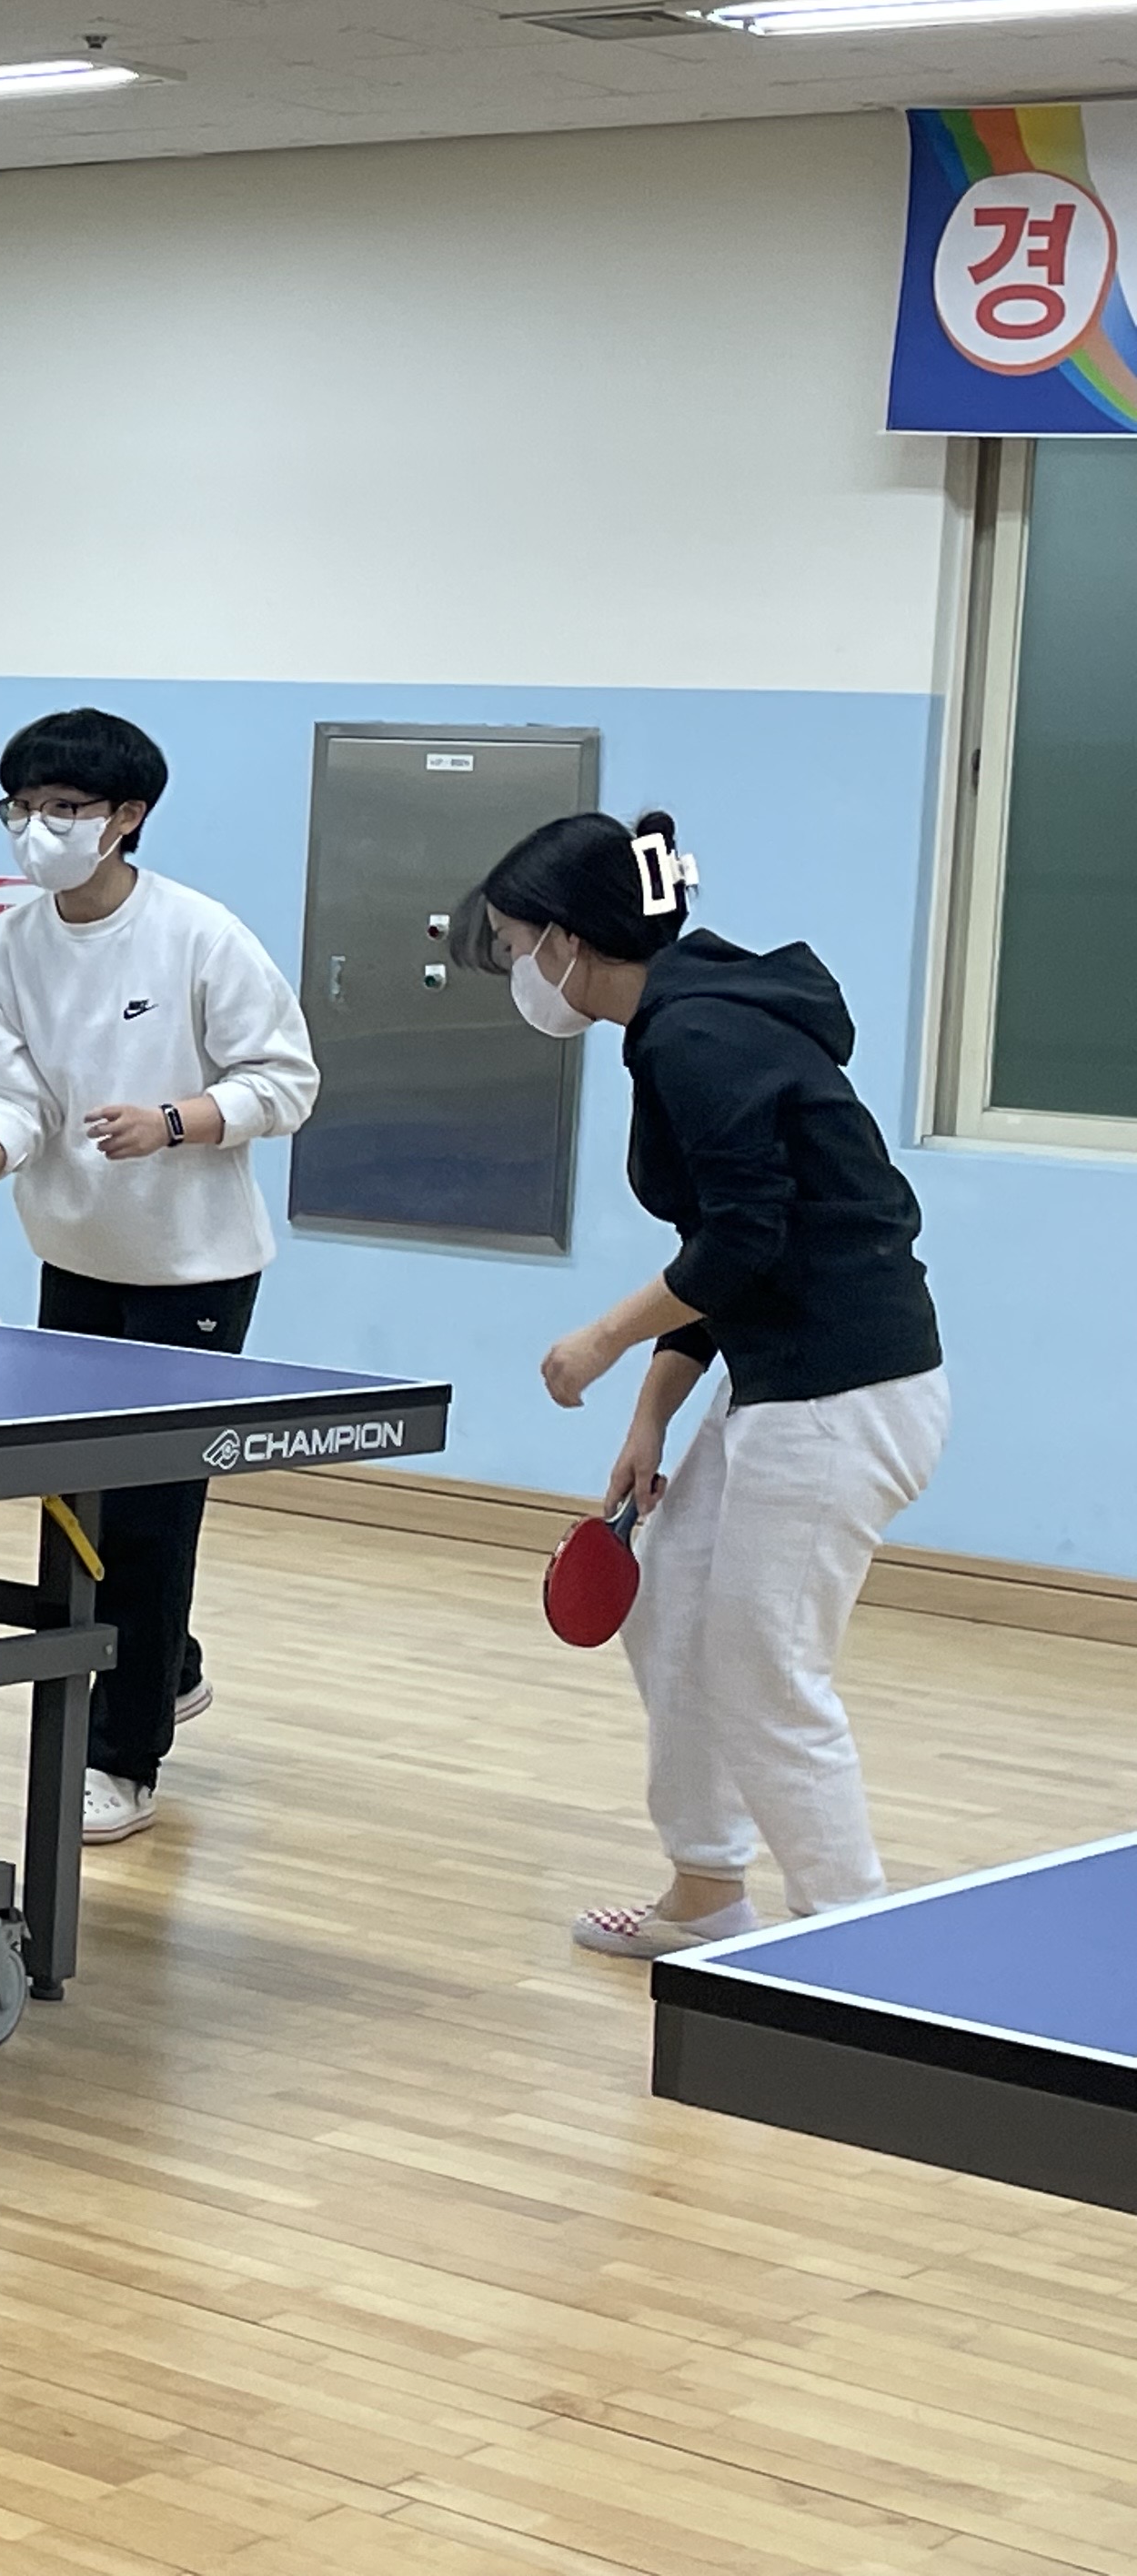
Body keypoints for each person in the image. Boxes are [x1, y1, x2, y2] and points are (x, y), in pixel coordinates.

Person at [469, 810, 946, 1958]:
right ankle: (706, 1890)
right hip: (784, 1379)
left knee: (765, 1672)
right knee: (672, 1605)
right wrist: (652, 1414)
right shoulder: (689, 1016)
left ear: (568, 940)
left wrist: (599, 1341)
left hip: (840, 1393)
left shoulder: (698, 1036)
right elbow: (720, 1247)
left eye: (516, 945)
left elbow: (743, 1239)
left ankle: (850, 1945)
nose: (518, 970)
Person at [0, 708, 319, 1846]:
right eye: (22, 807)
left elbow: (287, 1082)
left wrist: (177, 1120)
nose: (38, 828)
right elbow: (12, 1103)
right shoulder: (2, 947)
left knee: (149, 1514)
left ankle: (123, 1758)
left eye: (65, 809)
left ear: (127, 817)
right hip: (76, 1259)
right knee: (78, 1510)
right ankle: (163, 1663)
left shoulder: (199, 934)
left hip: (195, 1273)